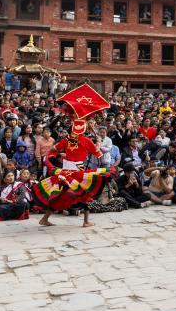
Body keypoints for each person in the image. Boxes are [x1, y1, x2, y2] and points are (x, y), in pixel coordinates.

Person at [33, 84, 115, 228]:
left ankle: (45, 218)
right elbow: (99, 154)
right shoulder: (86, 140)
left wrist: (54, 156)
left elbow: (53, 149)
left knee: (60, 195)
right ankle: (86, 221)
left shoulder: (66, 140)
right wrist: (98, 142)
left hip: (65, 171)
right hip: (77, 171)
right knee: (85, 194)